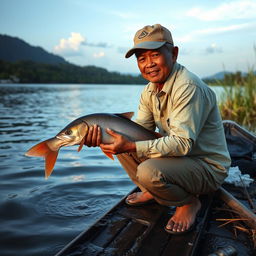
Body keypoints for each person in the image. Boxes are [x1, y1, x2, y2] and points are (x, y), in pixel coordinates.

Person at [85, 24, 231, 234]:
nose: (148, 64)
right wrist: (103, 138)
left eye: (154, 55)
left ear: (173, 53)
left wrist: (132, 145)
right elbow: (138, 133)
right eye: (141, 59)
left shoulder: (188, 87)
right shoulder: (149, 90)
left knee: (147, 170)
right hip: (180, 162)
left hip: (206, 166)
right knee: (120, 141)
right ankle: (152, 190)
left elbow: (182, 144)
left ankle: (189, 203)